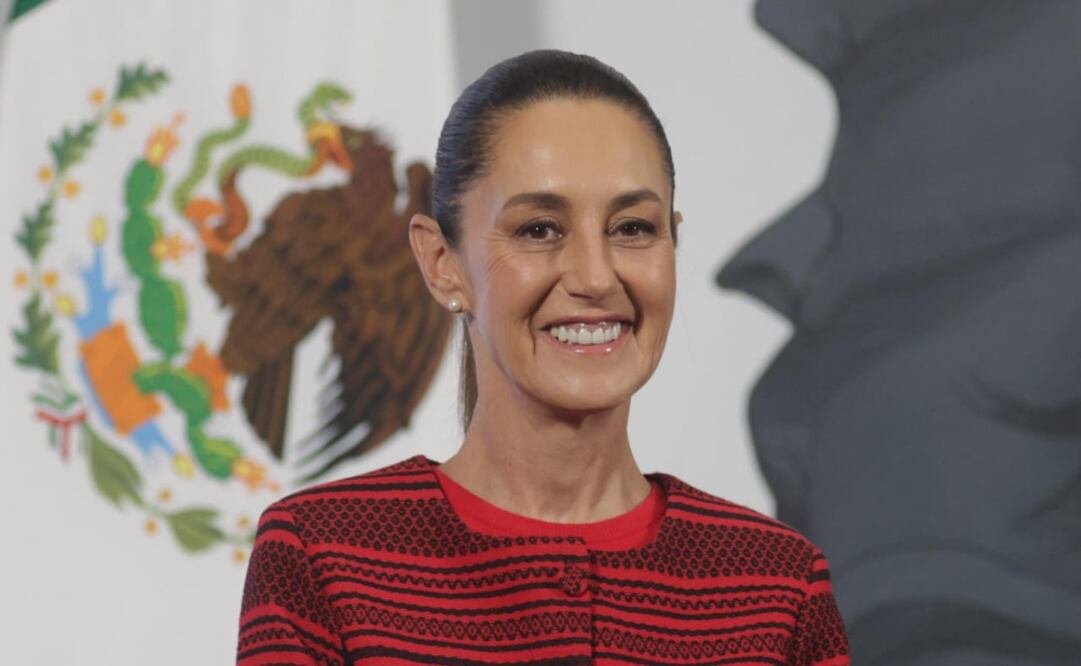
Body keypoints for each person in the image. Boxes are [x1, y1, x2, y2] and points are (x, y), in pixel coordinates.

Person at [236, 49, 850, 665]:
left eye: (633, 228)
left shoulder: (778, 587)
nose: (595, 276)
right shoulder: (323, 557)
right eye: (539, 230)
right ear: (442, 263)